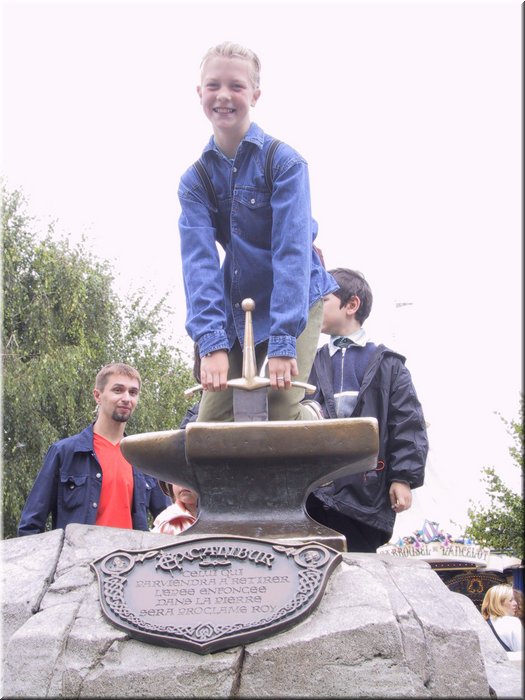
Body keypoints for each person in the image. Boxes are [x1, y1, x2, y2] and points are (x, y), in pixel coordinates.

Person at [178, 41, 337, 422]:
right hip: (239, 303)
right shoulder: (195, 181)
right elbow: (198, 266)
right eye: (213, 85)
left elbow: (292, 252)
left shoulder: (284, 163)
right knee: (212, 422)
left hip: (295, 297)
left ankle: (313, 417)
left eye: (236, 86)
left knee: (280, 409)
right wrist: (211, 343)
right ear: (200, 92)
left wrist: (283, 340)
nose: (224, 95)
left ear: (255, 94)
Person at [305, 268, 428, 552]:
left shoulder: (388, 365)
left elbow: (407, 423)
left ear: (351, 305)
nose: (313, 307)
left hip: (365, 495)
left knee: (359, 564)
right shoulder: (310, 362)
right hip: (314, 493)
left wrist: (402, 478)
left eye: (322, 300)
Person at [17, 363, 170, 536]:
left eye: (133, 392)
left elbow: (170, 523)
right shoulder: (64, 453)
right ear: (98, 395)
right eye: (118, 390)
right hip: (79, 553)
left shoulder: (143, 458)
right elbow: (30, 526)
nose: (127, 398)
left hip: (132, 553)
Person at [481, 584, 523, 651]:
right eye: (511, 600)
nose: (515, 603)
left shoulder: (482, 623)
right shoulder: (513, 622)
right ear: (499, 603)